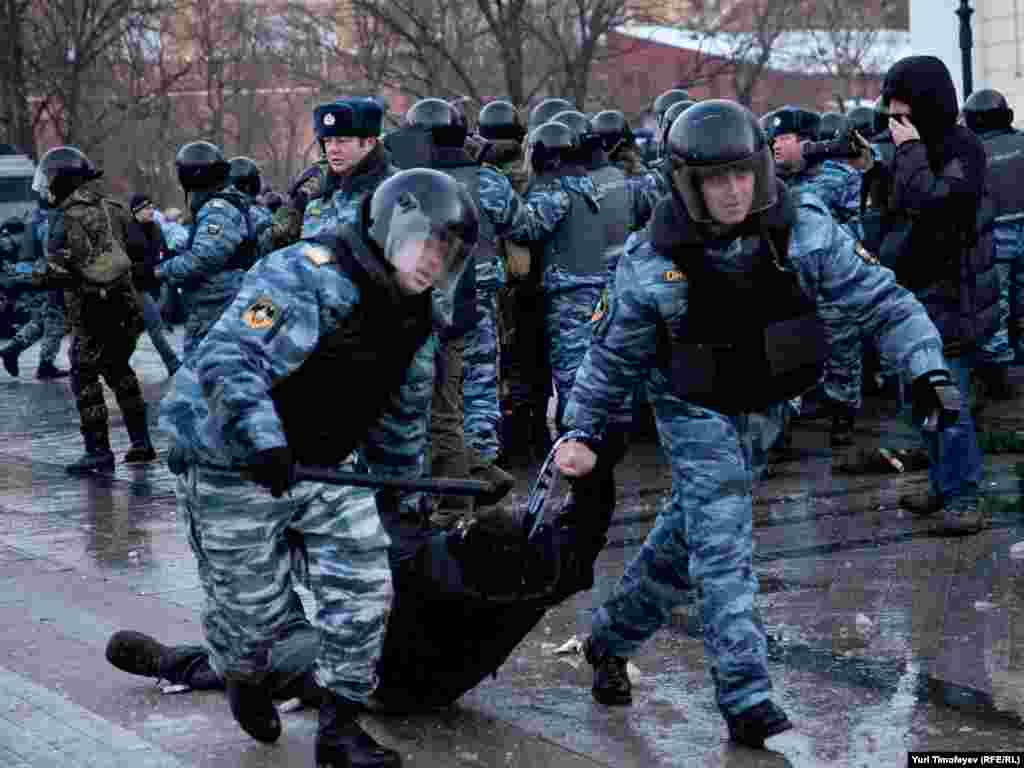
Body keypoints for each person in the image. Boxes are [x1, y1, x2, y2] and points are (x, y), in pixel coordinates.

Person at [552, 99, 956, 747]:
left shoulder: (803, 230)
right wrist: (580, 435)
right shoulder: (650, 263)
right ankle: (746, 697)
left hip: (768, 402)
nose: (734, 190)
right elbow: (609, 362)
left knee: (683, 541)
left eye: (743, 173)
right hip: (692, 405)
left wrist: (928, 375)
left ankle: (609, 640)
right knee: (721, 534)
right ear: (688, 185)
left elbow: (883, 302)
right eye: (716, 179)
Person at [154, 168, 484, 767]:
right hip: (233, 460)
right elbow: (230, 359)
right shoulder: (305, 272)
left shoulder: (417, 316)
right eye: (426, 243)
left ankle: (340, 728)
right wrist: (263, 440)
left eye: (449, 253)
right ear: (391, 228)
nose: (434, 262)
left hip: (328, 464)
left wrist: (404, 500)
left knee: (363, 591)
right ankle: (244, 677)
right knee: (251, 620)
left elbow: (403, 416)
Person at [877, 55, 999, 534]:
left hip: (955, 296)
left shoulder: (962, 147)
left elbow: (938, 206)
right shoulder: (920, 146)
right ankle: (944, 482)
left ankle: (965, 496)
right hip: (919, 296)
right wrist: (877, 166)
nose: (893, 121)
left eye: (900, 111)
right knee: (920, 401)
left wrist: (905, 155)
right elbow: (899, 210)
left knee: (947, 399)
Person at [32, 146, 155, 473]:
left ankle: (98, 451)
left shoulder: (64, 217)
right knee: (120, 370)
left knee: (84, 376)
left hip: (89, 312)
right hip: (125, 307)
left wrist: (30, 276)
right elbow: (140, 250)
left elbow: (57, 271)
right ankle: (141, 443)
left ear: (61, 180)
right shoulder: (114, 207)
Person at [151, 141, 257, 359]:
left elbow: (203, 258)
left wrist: (157, 271)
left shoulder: (218, 207)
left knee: (204, 377)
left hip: (217, 309)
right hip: (213, 307)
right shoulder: (217, 203)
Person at [962, 88, 1024, 395]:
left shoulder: (970, 153)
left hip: (993, 236)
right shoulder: (1021, 142)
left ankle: (998, 372)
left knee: (994, 303)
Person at [0, 198, 70, 380]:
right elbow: (53, 251)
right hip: (54, 276)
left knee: (45, 318)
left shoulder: (41, 218)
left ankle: (13, 349)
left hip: (46, 276)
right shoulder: (54, 220)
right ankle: (45, 365)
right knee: (56, 319)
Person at [125, 193, 180, 376]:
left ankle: (116, 363)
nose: (151, 211)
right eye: (146, 208)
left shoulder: (156, 228)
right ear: (136, 211)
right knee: (155, 323)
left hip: (155, 283)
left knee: (137, 328)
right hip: (135, 284)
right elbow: (124, 260)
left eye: (151, 207)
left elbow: (164, 252)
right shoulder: (127, 229)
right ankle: (173, 364)